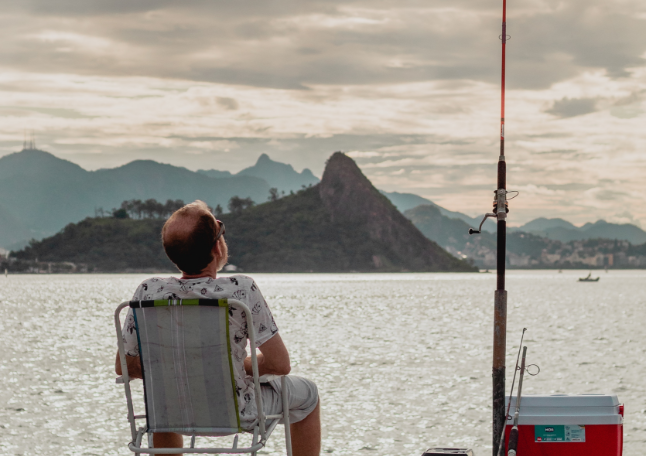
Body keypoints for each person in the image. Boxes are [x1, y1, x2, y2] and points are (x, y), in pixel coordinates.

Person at [115, 200, 320, 456]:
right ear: (216, 247)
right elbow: (280, 364)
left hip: (170, 414)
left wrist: (182, 367)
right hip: (237, 412)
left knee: (164, 395)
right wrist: (226, 366)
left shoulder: (148, 291)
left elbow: (124, 365)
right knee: (309, 394)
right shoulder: (241, 289)